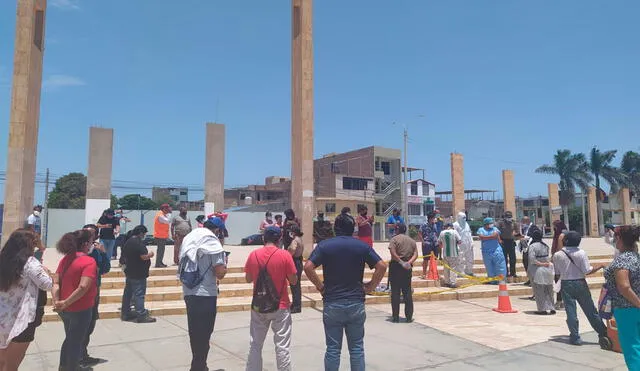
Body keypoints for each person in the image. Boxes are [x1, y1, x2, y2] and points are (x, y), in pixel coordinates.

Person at [304, 213, 387, 371]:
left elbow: (308, 267)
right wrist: (370, 287)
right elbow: (382, 266)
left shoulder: (325, 245)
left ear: (335, 229)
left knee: (333, 350)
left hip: (333, 301)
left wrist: (320, 287)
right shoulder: (361, 246)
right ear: (353, 229)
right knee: (356, 349)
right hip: (356, 302)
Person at [244, 226, 298, 371]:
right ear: (279, 239)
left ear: (263, 238)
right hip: (280, 305)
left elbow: (248, 279)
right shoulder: (284, 255)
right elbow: (294, 281)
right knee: (282, 346)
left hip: (258, 305)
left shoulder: (253, 254)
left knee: (255, 344)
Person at [179, 217, 228, 371]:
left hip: (189, 291)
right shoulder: (212, 243)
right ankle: (198, 367)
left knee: (195, 332)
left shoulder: (190, 237)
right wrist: (225, 262)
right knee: (205, 333)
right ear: (217, 230)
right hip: (206, 293)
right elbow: (220, 273)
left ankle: (199, 365)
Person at [0, 229, 52, 371]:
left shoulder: (3, 258)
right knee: (12, 365)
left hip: (3, 315)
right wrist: (47, 272)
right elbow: (47, 284)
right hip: (21, 318)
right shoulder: (30, 263)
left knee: (2, 361)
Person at [552, 231, 608, 346]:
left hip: (566, 284)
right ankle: (603, 332)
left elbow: (557, 273)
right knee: (590, 310)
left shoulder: (557, 255)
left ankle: (575, 336)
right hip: (580, 282)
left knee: (571, 311)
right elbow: (587, 271)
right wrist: (600, 266)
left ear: (565, 241)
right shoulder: (581, 253)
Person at [52, 230, 98, 371]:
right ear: (85, 244)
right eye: (91, 242)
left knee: (70, 338)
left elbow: (56, 282)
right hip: (80, 308)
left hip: (64, 309)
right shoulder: (88, 261)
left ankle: (64, 366)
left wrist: (57, 302)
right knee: (76, 341)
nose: (92, 244)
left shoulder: (65, 259)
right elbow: (83, 286)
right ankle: (72, 368)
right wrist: (66, 303)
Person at [603, 225, 640, 369]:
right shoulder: (636, 257)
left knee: (633, 348)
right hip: (634, 307)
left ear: (619, 239)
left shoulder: (622, 260)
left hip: (627, 309)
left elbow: (624, 286)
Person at [80, 224, 111, 366]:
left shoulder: (97, 250)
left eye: (90, 234)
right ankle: (78, 358)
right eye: (84, 233)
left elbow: (105, 269)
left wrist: (103, 253)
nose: (86, 236)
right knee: (81, 325)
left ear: (95, 236)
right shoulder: (78, 250)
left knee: (90, 323)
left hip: (94, 290)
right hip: (81, 292)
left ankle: (82, 353)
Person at [120, 225, 156, 323]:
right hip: (138, 273)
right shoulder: (138, 243)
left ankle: (126, 313)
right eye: (144, 233)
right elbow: (143, 257)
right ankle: (141, 315)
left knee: (128, 294)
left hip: (130, 271)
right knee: (139, 294)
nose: (144, 235)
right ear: (141, 233)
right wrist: (150, 255)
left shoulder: (128, 241)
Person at [388, 223, 418, 323]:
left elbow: (392, 252)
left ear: (397, 230)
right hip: (407, 267)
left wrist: (400, 262)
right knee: (407, 292)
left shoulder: (394, 239)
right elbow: (416, 254)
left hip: (396, 266)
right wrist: (408, 263)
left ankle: (395, 316)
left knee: (395, 292)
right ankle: (409, 316)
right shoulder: (411, 241)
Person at [526, 226, 555, 315]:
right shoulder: (545, 246)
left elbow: (532, 260)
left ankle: (542, 309)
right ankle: (551, 307)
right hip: (547, 269)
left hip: (537, 270)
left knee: (539, 290)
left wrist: (541, 264)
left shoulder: (532, 246)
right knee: (549, 289)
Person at [477, 218, 506, 284]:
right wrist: (491, 237)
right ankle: (492, 280)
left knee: (500, 266)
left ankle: (501, 280)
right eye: (490, 223)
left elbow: (495, 235)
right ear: (486, 224)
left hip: (496, 251)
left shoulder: (495, 229)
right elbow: (481, 237)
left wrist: (486, 238)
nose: (491, 225)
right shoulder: (481, 230)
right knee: (489, 267)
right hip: (486, 252)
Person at [286, 225, 305, 314]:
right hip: (299, 262)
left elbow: (292, 250)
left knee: (294, 285)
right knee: (296, 285)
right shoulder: (300, 239)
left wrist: (287, 255)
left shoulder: (295, 240)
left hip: (295, 262)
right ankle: (296, 304)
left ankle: (296, 306)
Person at [439, 223, 462, 288]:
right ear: (451, 227)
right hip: (454, 253)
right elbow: (460, 241)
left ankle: (447, 282)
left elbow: (439, 243)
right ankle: (453, 283)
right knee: (453, 268)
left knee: (446, 268)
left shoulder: (442, 232)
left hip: (445, 254)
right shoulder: (454, 232)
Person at [551, 220, 568, 309]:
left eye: (555, 226)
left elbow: (560, 248)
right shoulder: (557, 235)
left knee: (559, 281)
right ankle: (560, 301)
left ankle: (560, 301)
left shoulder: (561, 235)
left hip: (560, 261)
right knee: (558, 281)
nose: (554, 228)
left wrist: (555, 257)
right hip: (557, 259)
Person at [497, 211, 517, 282]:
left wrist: (516, 234)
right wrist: (499, 240)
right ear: (505, 217)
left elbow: (517, 230)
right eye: (507, 217)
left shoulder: (513, 222)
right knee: (504, 259)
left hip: (511, 242)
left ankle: (513, 273)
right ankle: (505, 273)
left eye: (510, 217)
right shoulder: (500, 223)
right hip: (503, 242)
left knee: (513, 259)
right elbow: (497, 232)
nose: (509, 218)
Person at [453, 212, 474, 276]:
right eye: (463, 217)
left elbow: (469, 233)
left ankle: (469, 271)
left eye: (465, 217)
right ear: (459, 217)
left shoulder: (466, 224)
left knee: (470, 258)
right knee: (460, 259)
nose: (464, 219)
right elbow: (454, 235)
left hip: (468, 244)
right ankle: (460, 272)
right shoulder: (455, 224)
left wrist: (472, 241)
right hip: (460, 244)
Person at [418, 213, 438, 279]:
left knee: (434, 259)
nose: (434, 219)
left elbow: (436, 233)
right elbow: (420, 233)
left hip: (434, 244)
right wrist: (423, 242)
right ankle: (424, 274)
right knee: (426, 259)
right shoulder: (424, 225)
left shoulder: (435, 225)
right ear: (430, 218)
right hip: (427, 244)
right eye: (433, 218)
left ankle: (434, 273)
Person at [519, 216, 534, 286]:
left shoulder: (533, 227)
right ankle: (529, 278)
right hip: (525, 248)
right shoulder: (523, 228)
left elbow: (536, 236)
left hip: (531, 247)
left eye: (523, 222)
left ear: (527, 221)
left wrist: (525, 237)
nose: (522, 223)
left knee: (530, 264)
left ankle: (533, 280)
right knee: (525, 263)